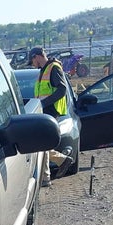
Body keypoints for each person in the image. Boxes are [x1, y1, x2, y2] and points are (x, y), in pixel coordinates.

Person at [29, 47, 74, 187]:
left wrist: (43, 103)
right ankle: (50, 172)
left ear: (36, 57)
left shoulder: (53, 68)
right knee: (42, 143)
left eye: (32, 61)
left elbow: (62, 90)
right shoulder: (44, 70)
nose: (32, 64)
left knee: (42, 143)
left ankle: (47, 175)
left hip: (50, 111)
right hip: (43, 111)